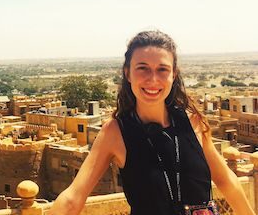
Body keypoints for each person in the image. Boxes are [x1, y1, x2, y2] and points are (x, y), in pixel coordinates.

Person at [48, 30, 255, 215]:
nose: (153, 79)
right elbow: (73, 197)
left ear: (174, 74)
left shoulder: (192, 122)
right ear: (128, 73)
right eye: (143, 68)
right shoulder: (116, 131)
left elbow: (226, 181)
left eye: (162, 69)